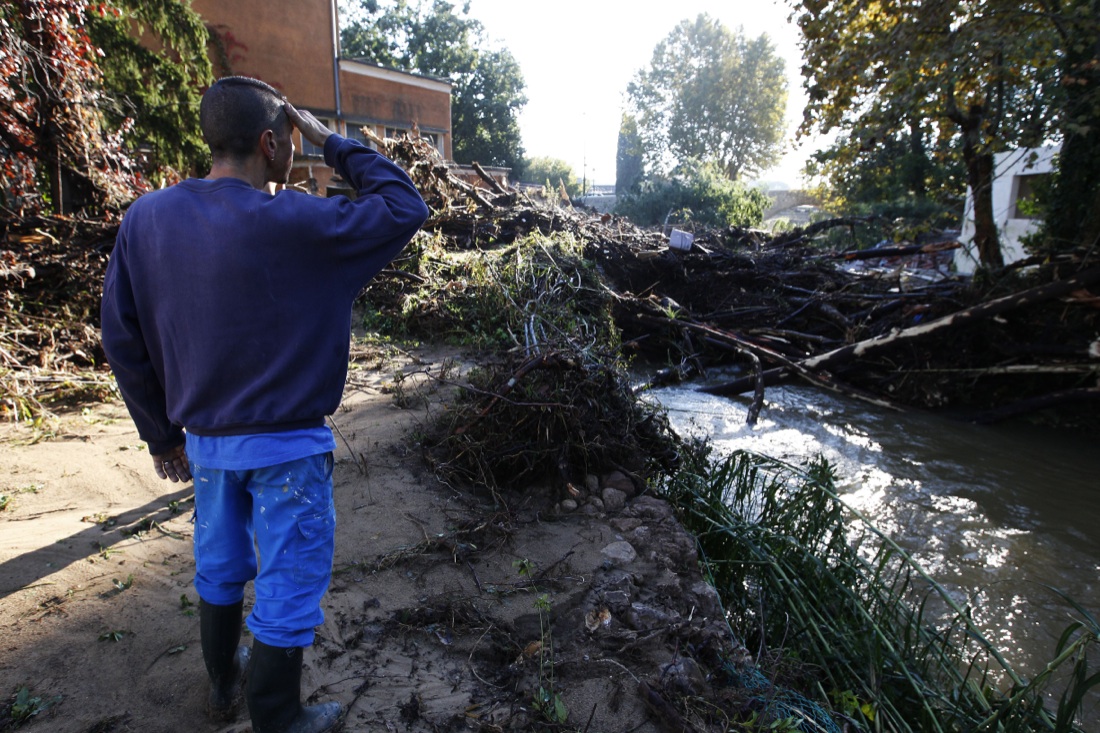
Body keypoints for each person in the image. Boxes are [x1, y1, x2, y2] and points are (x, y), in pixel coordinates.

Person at [100, 76, 429, 733]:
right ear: (272, 143)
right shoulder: (302, 223)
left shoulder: (147, 220)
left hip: (207, 446)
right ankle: (278, 715)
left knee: (219, 565)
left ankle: (225, 684)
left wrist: (161, 434)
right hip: (289, 448)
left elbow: (121, 332)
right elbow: (403, 204)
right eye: (292, 138)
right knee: (289, 580)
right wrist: (334, 141)